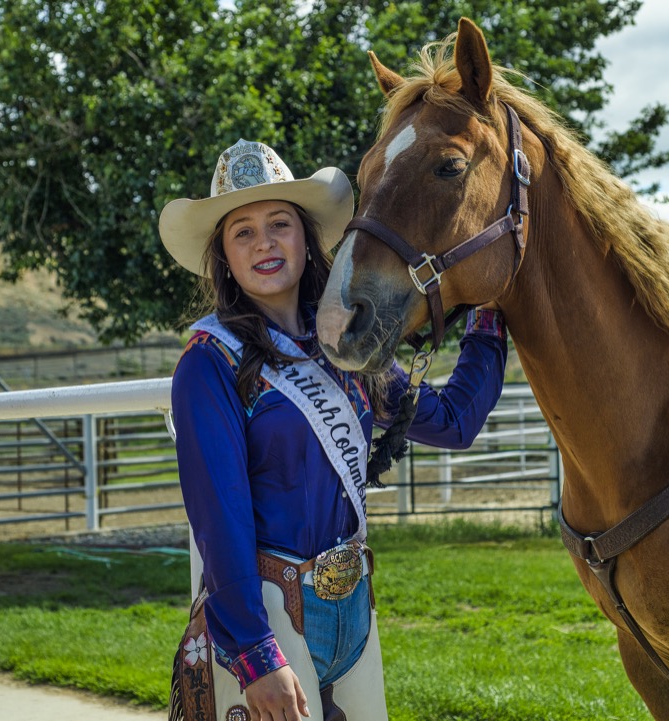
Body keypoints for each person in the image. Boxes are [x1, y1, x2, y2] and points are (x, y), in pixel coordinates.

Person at [159, 139, 508, 721]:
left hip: (353, 610)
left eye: (279, 224)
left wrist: (491, 315)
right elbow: (219, 524)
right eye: (242, 232)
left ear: (306, 237)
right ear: (223, 254)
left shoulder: (344, 341)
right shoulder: (209, 362)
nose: (264, 242)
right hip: (268, 616)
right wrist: (254, 656)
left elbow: (452, 422)